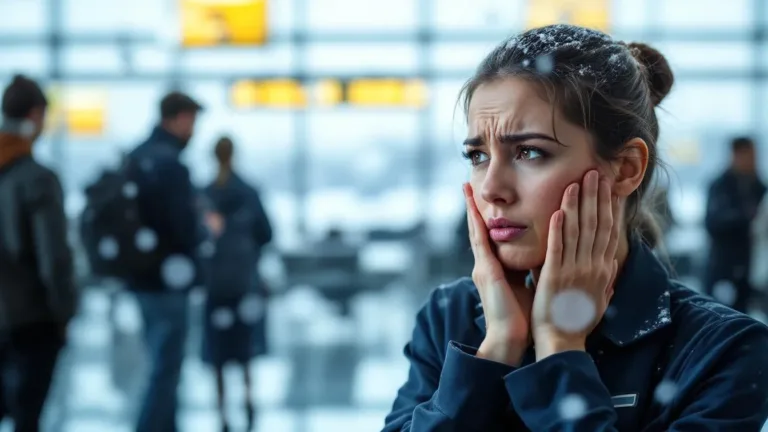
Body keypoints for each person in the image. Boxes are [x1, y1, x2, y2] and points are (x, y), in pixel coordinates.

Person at [383, 25, 768, 431]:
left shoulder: (724, 351)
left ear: (626, 168)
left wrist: (559, 350)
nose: (491, 188)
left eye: (529, 152)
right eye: (478, 155)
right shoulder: (450, 318)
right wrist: (497, 346)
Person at [0, 75, 78, 431]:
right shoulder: (37, 178)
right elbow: (54, 257)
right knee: (26, 417)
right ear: (35, 115)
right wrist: (64, 312)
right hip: (31, 318)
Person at [127, 91, 205, 432]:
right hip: (169, 279)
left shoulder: (135, 157)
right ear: (177, 118)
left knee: (159, 361)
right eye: (191, 122)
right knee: (166, 367)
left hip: (140, 276)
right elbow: (182, 226)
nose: (194, 131)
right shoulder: (170, 164)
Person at [202, 137, 272, 432]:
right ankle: (248, 400)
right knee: (244, 348)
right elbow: (267, 233)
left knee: (218, 350)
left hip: (214, 283)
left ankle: (222, 413)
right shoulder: (249, 192)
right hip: (244, 282)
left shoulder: (204, 195)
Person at [703, 137, 765, 313]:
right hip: (724, 268)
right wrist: (747, 219)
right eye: (749, 155)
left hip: (749, 270)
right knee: (721, 318)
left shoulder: (758, 186)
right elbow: (713, 223)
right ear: (736, 155)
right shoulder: (720, 186)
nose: (754, 160)